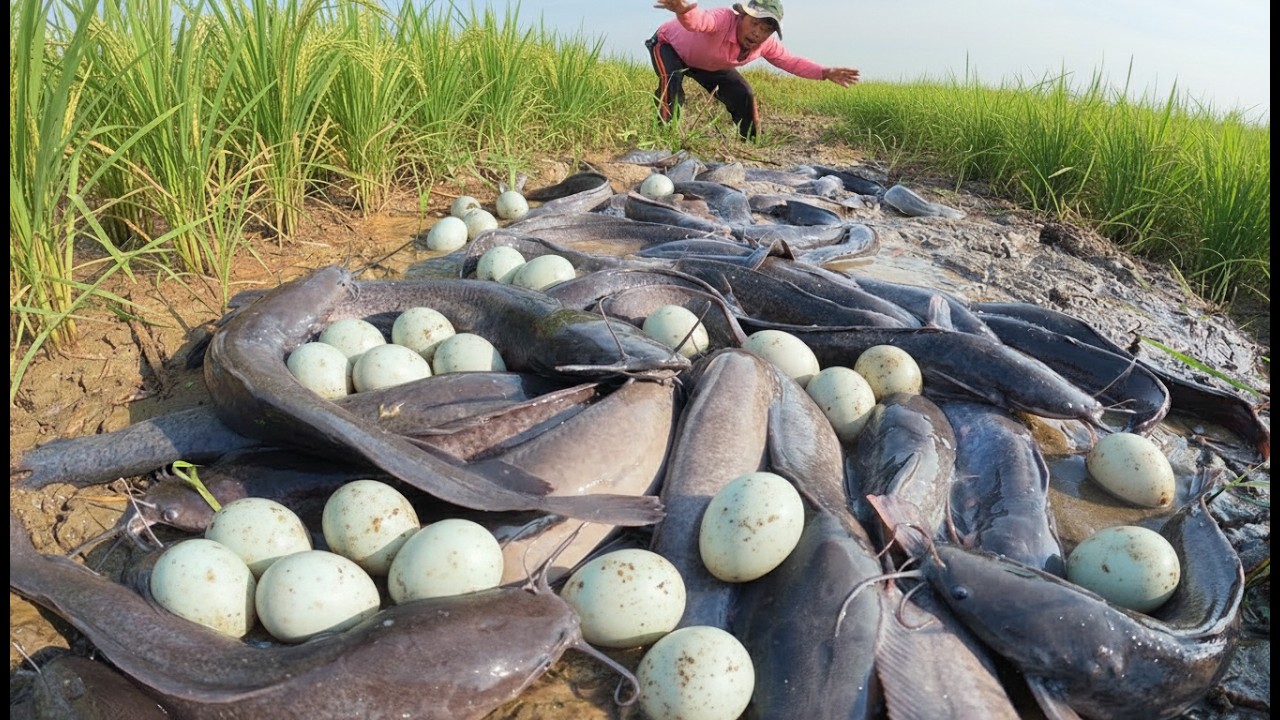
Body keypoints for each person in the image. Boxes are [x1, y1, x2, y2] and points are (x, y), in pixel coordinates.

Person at [647, 0, 860, 140]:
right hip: (669, 46)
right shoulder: (724, 19)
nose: (757, 33)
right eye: (754, 23)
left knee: (744, 94)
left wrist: (825, 72)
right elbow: (700, 22)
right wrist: (685, 10)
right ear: (742, 16)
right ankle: (665, 139)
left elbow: (791, 61)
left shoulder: (764, 45)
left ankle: (750, 142)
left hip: (709, 64)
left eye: (766, 30)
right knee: (671, 82)